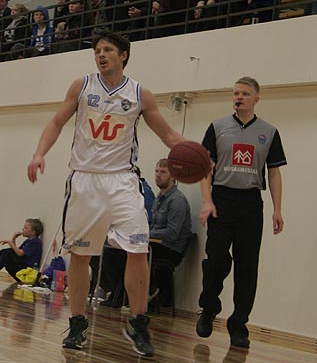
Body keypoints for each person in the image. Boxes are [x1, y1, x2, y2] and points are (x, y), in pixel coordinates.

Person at [27, 30, 188, 357]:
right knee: (81, 255)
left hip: (123, 181)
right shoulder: (82, 86)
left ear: (123, 55)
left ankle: (138, 322)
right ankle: (77, 324)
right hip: (85, 180)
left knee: (138, 248)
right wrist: (39, 153)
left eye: (108, 50)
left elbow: (168, 134)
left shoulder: (140, 94)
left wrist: (195, 152)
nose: (101, 55)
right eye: (97, 50)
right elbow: (56, 122)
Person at [196, 77, 287, 349]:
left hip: (250, 202)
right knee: (216, 259)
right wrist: (207, 200)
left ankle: (238, 324)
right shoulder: (217, 127)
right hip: (222, 199)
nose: (239, 97)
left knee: (247, 266)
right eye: (236, 93)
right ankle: (209, 308)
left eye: (245, 94)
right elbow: (205, 169)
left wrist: (277, 209)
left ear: (256, 99)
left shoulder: (269, 132)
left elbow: (274, 172)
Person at [97, 159, 192, 308]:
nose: (158, 175)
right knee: (114, 250)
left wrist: (147, 234)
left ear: (173, 177)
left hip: (169, 249)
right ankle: (120, 292)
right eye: (157, 171)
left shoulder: (177, 200)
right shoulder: (159, 198)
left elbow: (172, 233)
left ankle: (142, 291)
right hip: (154, 243)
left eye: (163, 172)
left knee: (128, 253)